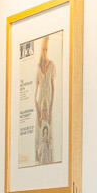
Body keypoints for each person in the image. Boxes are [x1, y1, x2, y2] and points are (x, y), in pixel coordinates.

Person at [33, 35, 56, 165]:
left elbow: (53, 90)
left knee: (49, 128)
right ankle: (39, 156)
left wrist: (51, 108)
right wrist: (37, 109)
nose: (44, 52)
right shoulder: (37, 67)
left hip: (48, 101)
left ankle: (49, 157)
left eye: (46, 49)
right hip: (41, 100)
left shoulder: (52, 65)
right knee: (40, 128)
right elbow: (36, 92)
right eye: (43, 49)